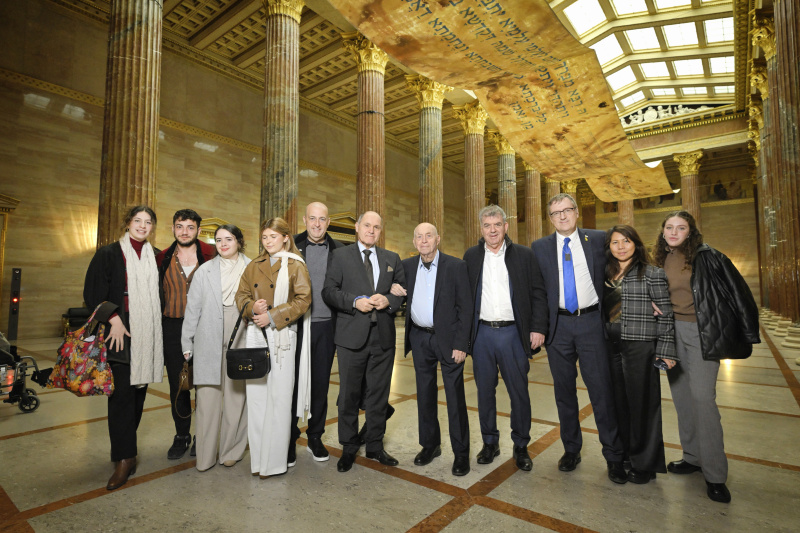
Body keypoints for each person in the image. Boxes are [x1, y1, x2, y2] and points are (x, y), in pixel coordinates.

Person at [653, 211, 760, 503]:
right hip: (670, 334)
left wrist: (747, 331)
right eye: (669, 227)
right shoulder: (659, 259)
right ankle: (692, 457)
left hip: (702, 334)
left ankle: (715, 474)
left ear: (690, 231)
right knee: (682, 399)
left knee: (703, 399)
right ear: (663, 232)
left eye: (681, 228)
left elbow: (738, 293)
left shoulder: (708, 256)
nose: (674, 232)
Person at [531, 193, 627, 484]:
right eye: (555, 213)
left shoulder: (598, 239)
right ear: (550, 218)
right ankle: (571, 449)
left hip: (590, 324)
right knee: (564, 393)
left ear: (576, 212)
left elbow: (626, 260)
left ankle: (613, 456)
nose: (562, 216)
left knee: (601, 392)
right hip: (558, 327)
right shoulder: (540, 247)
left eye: (567, 210)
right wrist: (539, 327)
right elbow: (537, 291)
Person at [83, 205, 164, 490]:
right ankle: (124, 457)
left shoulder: (156, 257)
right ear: (127, 223)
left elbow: (163, 296)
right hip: (119, 331)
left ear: (152, 227)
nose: (143, 226)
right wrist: (113, 317)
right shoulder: (108, 254)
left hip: (148, 332)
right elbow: (92, 293)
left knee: (139, 394)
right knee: (120, 396)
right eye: (137, 220)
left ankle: (125, 449)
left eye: (148, 222)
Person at [463, 205, 547, 472]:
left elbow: (538, 293)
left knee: (518, 392)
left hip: (513, 333)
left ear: (506, 226)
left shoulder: (523, 255)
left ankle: (521, 445)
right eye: (487, 226)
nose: (492, 230)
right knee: (485, 392)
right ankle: (490, 443)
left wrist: (537, 327)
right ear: (481, 229)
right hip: (482, 335)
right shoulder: (471, 256)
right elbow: (463, 298)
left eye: (497, 224)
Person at [322, 211, 406, 473]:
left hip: (382, 338)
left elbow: (402, 291)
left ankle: (375, 445)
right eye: (367, 225)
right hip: (351, 337)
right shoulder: (340, 255)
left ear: (381, 231)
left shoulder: (391, 258)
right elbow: (329, 291)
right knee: (349, 394)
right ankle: (348, 446)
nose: (371, 230)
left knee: (379, 394)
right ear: (357, 227)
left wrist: (389, 301)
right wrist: (354, 301)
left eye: (377, 227)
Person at [391, 223, 473, 476]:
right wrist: (391, 289)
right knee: (425, 395)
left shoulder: (456, 266)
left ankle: (461, 454)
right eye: (419, 236)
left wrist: (461, 344)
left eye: (428, 236)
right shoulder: (405, 267)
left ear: (438, 239)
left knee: (454, 397)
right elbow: (393, 291)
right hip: (420, 338)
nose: (424, 240)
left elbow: (466, 308)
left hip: (448, 342)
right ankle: (430, 445)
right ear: (414, 241)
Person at [236, 218, 312, 478]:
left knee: (279, 400)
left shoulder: (295, 265)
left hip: (282, 337)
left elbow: (304, 299)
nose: (267, 241)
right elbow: (241, 294)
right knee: (257, 400)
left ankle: (275, 463)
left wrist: (274, 315)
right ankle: (258, 461)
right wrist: (251, 307)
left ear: (285, 238)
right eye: (264, 237)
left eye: (272, 236)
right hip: (255, 335)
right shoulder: (253, 265)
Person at [603, 225, 676, 484]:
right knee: (618, 404)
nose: (621, 246)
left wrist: (667, 351)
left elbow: (666, 315)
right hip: (610, 345)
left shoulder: (652, 273)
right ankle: (623, 455)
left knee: (642, 405)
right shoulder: (604, 272)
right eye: (615, 242)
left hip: (640, 345)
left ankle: (644, 463)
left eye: (626, 241)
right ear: (609, 246)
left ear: (636, 244)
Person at [181, 225, 250, 472]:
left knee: (236, 397)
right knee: (207, 399)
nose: (222, 244)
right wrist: (186, 342)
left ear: (239, 242)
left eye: (228, 239)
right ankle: (206, 455)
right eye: (218, 239)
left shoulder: (251, 267)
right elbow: (193, 309)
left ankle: (232, 450)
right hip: (207, 333)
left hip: (241, 333)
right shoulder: (205, 271)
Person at [156, 209, 216, 460]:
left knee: (204, 384)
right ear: (173, 228)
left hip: (205, 328)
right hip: (172, 327)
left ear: (199, 231)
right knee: (178, 385)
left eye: (190, 227)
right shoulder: (162, 258)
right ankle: (181, 435)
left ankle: (203, 436)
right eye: (180, 226)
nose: (184, 232)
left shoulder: (211, 255)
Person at [290, 202, 345, 462]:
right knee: (290, 384)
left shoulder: (341, 250)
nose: (317, 224)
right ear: (304, 219)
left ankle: (315, 436)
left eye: (322, 219)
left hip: (326, 326)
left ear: (328, 221)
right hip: (295, 326)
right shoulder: (289, 246)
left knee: (321, 384)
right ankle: (289, 438)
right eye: (312, 218)